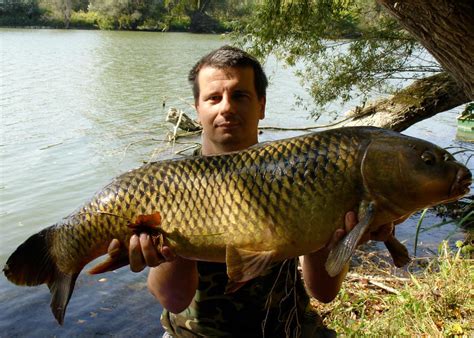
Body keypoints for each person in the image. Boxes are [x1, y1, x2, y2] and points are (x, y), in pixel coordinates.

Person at [109, 46, 392, 337]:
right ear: (198, 109)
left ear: (261, 105)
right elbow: (173, 300)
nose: (226, 107)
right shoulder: (169, 184)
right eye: (214, 98)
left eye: (240, 96)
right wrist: (170, 248)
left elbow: (323, 292)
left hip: (288, 329)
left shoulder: (297, 171)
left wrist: (334, 242)